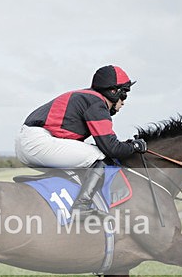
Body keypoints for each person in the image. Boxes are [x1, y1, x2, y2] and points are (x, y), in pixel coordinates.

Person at [16, 65, 147, 217]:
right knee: (100, 156)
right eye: (123, 95)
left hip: (31, 141)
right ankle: (82, 206)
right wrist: (134, 146)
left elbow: (110, 144)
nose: (123, 102)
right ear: (113, 92)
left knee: (91, 153)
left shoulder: (89, 98)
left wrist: (127, 145)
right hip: (37, 141)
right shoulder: (96, 103)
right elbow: (111, 148)